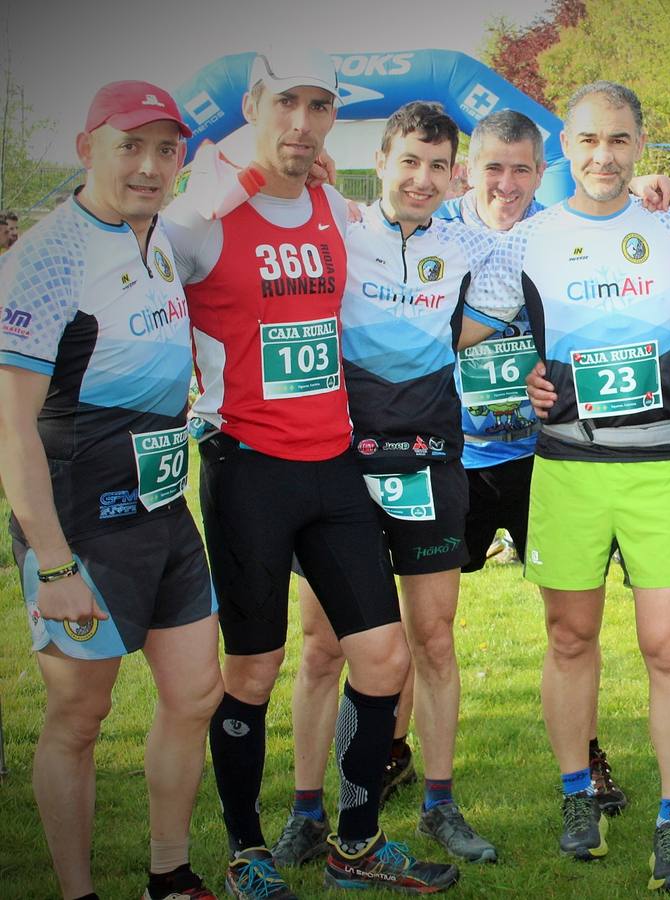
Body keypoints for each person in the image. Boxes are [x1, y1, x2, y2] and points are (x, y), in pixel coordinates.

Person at [161, 49, 459, 897]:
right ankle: (247, 851)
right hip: (247, 470)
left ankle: (356, 845)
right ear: (255, 105)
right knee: (251, 671)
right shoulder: (204, 219)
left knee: (383, 658)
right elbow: (140, 243)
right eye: (285, 102)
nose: (300, 122)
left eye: (318, 106)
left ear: (335, 119)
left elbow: (442, 226)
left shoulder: (336, 207)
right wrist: (239, 172)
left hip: (334, 466)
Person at [464, 80, 670, 892]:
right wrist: (519, 378)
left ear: (641, 145)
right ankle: (577, 795)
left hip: (662, 469)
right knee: (570, 640)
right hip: (567, 468)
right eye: (588, 141)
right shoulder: (524, 242)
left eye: (619, 140)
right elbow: (462, 334)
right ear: (564, 148)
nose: (603, 156)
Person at [0, 81, 222, 900]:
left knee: (196, 692)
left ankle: (168, 876)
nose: (149, 165)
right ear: (86, 147)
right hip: (83, 524)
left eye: (166, 149)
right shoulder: (48, 255)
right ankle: (77, 893)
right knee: (78, 719)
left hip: (165, 507)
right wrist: (53, 566)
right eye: (130, 145)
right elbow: (11, 427)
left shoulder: (158, 237)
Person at [270, 100, 502, 871]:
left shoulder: (470, 243)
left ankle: (439, 800)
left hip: (432, 461)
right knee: (322, 643)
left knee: (433, 641)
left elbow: (546, 239)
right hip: (338, 464)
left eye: (440, 165)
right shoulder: (337, 226)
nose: (424, 178)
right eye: (410, 161)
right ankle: (307, 811)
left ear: (454, 172)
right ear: (383, 162)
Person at [445, 108, 631, 814]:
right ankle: (385, 753)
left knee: (571, 626)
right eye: (493, 166)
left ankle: (585, 762)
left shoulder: (558, 234)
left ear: (541, 168)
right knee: (420, 630)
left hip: (542, 457)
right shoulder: (438, 231)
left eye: (523, 167)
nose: (508, 182)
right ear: (470, 167)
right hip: (453, 456)